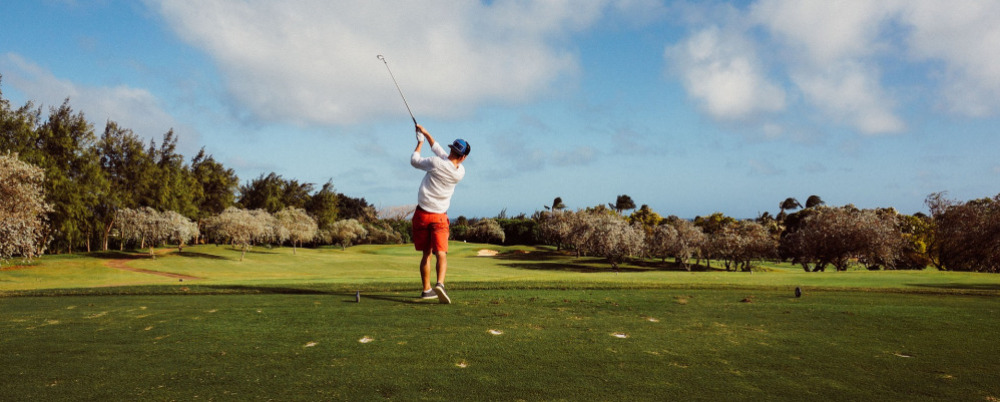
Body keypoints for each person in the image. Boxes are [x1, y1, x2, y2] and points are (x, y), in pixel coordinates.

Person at [410, 124, 470, 304]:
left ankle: (426, 290)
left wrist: (420, 142)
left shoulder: (435, 163)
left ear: (452, 150)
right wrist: (426, 133)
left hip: (422, 214)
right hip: (440, 217)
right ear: (463, 157)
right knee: (441, 252)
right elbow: (440, 151)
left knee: (426, 254)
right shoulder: (460, 172)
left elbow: (415, 160)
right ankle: (440, 284)